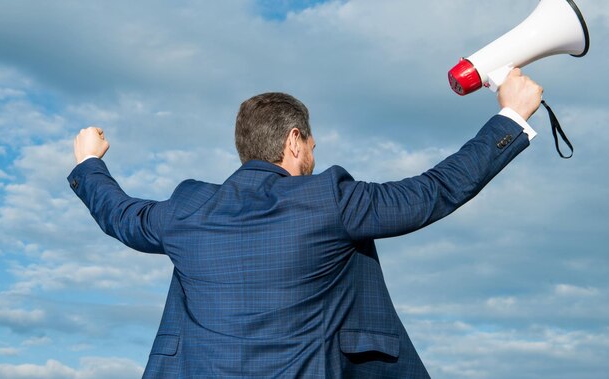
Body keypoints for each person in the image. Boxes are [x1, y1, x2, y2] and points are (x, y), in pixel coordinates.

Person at [69, 68, 542, 378]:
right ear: (295, 140)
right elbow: (432, 192)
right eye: (312, 145)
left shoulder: (188, 209)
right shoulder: (328, 200)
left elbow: (120, 215)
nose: (314, 155)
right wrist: (510, 115)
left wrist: (90, 162)